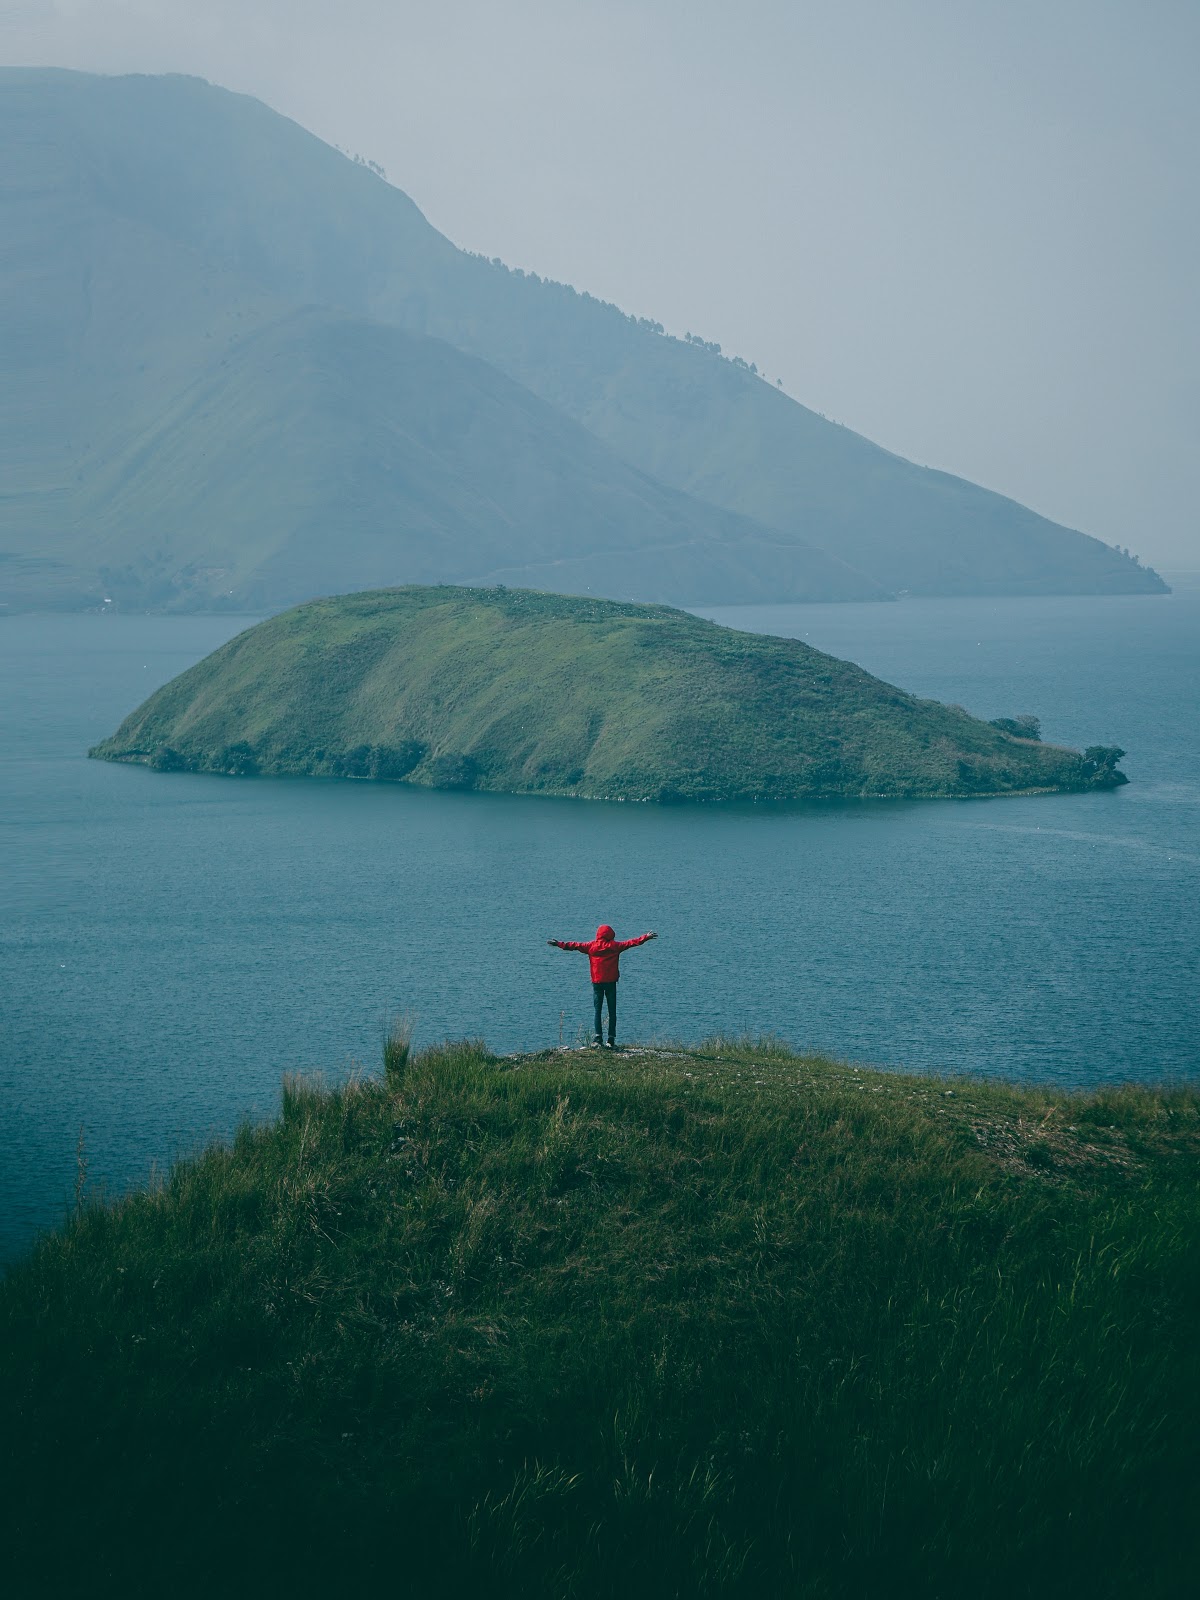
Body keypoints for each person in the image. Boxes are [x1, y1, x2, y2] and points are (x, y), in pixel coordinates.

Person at [547, 924, 658, 1048]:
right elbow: (632, 942)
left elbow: (574, 945)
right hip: (611, 983)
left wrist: (559, 944)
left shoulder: (591, 947)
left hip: (597, 983)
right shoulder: (615, 947)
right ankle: (611, 1039)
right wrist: (646, 937)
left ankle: (598, 1037)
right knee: (612, 1011)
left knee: (597, 1010)